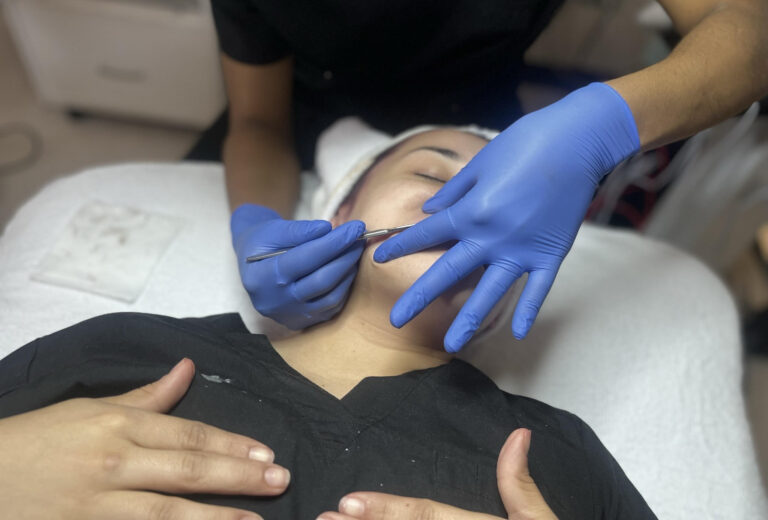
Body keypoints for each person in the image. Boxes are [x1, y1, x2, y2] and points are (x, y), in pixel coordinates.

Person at [0, 128, 656, 519]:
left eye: (505, 205)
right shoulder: (128, 348)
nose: (466, 207)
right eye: (432, 172)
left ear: (517, 284)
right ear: (341, 211)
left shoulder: (556, 452)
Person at [197, 0, 768, 350]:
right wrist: (255, 224)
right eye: (428, 177)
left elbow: (745, 28)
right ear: (339, 209)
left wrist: (602, 125)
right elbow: (257, 120)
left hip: (477, 103)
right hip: (299, 116)